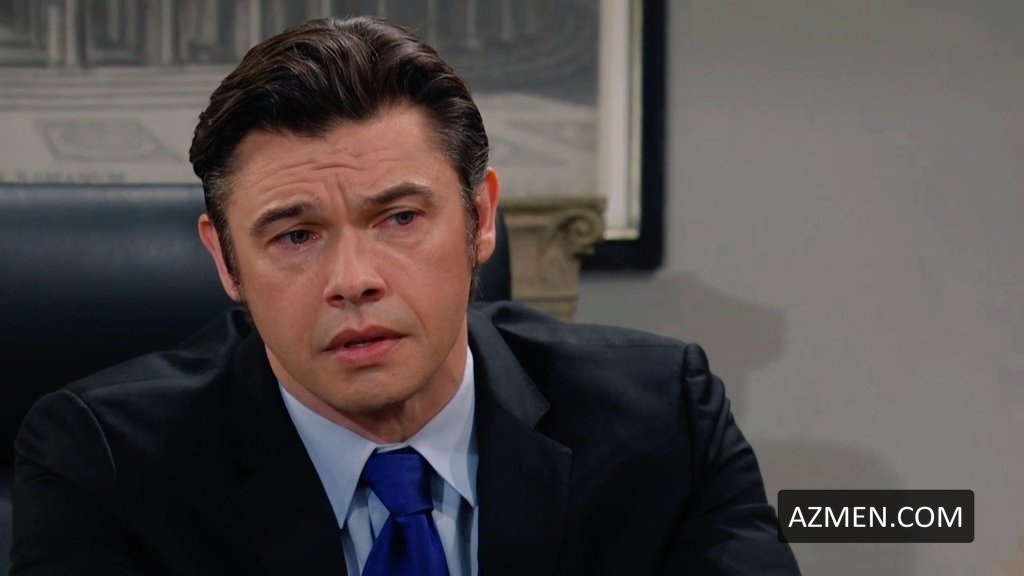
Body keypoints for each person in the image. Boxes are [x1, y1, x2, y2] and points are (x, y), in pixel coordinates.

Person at [10, 16, 800, 576]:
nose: (354, 279)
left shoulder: (664, 417)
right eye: (296, 235)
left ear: (480, 219)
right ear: (226, 261)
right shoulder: (106, 465)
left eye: (399, 219)